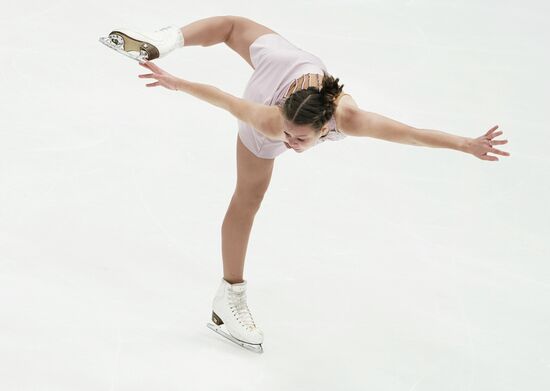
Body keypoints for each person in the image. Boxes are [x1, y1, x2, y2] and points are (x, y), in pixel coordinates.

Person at [101, 15, 510, 352]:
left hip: (299, 63)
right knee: (248, 197)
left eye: (301, 139)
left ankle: (164, 38)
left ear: (325, 128)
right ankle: (229, 297)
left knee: (234, 32)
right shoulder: (270, 121)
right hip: (276, 81)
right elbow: (225, 99)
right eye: (290, 137)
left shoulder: (349, 118)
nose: (292, 145)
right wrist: (177, 82)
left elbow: (410, 133)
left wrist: (464, 144)